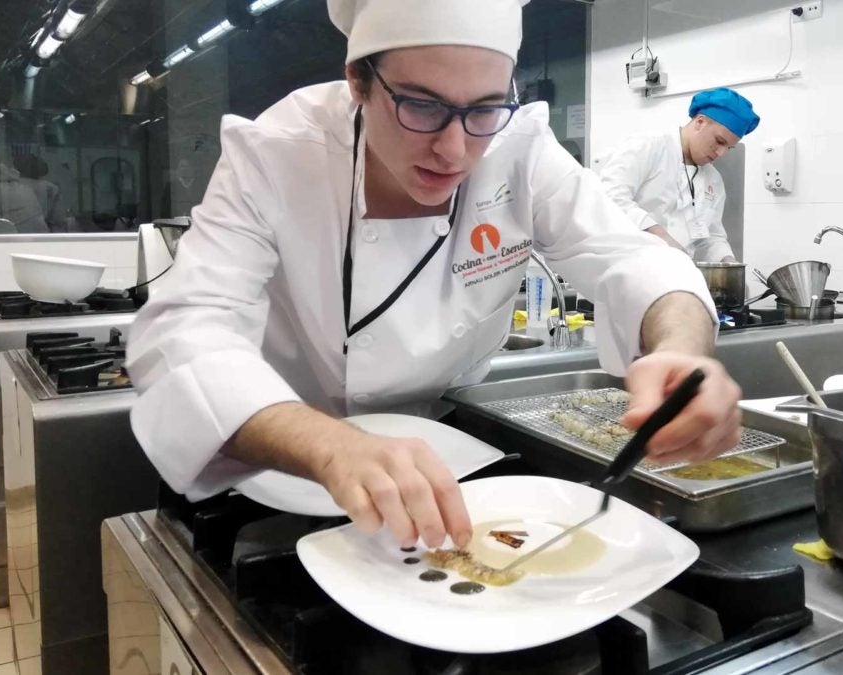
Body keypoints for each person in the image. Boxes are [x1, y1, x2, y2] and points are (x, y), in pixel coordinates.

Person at [126, 0, 743, 553]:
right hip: (275, 458)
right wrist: (329, 445)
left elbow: (635, 259)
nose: (454, 149)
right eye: (421, 105)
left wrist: (685, 355)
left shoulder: (519, 150)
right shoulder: (277, 153)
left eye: (484, 109)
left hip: (439, 462)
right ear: (358, 83)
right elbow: (185, 332)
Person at [596, 88, 759, 262]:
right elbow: (609, 198)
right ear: (700, 122)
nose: (721, 153)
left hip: (673, 275)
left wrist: (728, 264)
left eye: (729, 148)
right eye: (719, 141)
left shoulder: (714, 179)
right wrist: (662, 238)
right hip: (624, 268)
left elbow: (711, 237)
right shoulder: (649, 146)